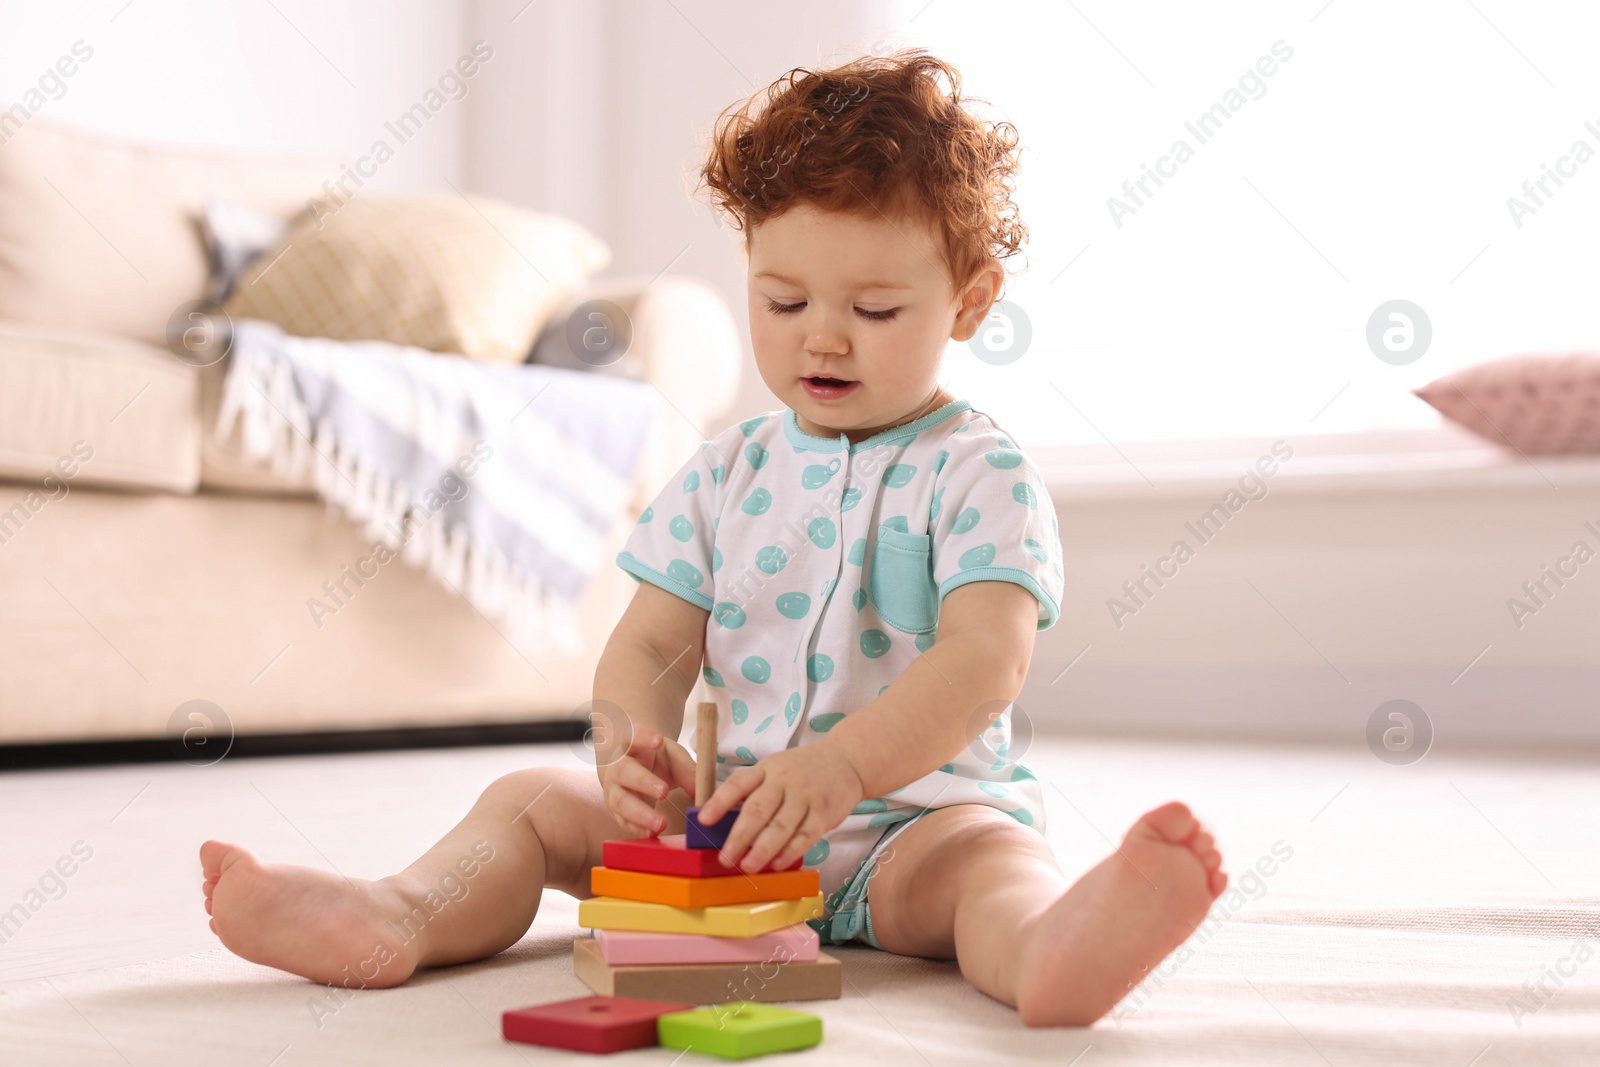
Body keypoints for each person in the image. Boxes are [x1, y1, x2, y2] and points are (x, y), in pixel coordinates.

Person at [201, 47, 1226, 1028]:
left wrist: (839, 769)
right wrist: (633, 748)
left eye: (873, 307)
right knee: (525, 800)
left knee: (993, 870)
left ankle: (1050, 949)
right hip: (722, 841)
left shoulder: (979, 471)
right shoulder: (728, 470)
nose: (821, 334)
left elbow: (984, 659)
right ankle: (403, 910)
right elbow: (649, 643)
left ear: (969, 300)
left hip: (913, 830)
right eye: (782, 300)